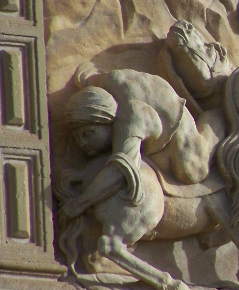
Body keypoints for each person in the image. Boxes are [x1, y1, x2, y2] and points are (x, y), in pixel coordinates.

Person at [60, 69, 224, 219]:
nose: (82, 143)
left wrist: (79, 203)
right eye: (77, 137)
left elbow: (119, 171)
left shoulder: (130, 117)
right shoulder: (97, 90)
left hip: (177, 133)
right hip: (153, 137)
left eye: (88, 134)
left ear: (107, 121)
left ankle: (216, 121)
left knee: (192, 172)